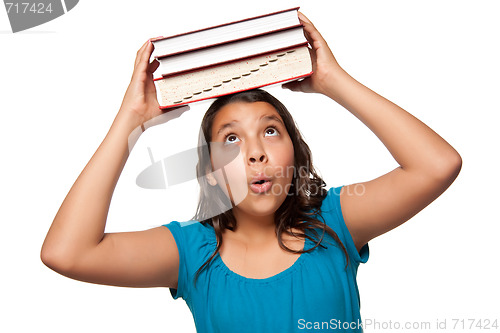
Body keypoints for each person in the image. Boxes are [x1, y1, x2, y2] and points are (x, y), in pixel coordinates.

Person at [41, 12, 461, 332]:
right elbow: (67, 252)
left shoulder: (336, 222)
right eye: (231, 140)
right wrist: (130, 120)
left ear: (294, 155)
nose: (255, 153)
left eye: (270, 131)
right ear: (209, 173)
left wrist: (333, 79)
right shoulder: (190, 253)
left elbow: (437, 164)